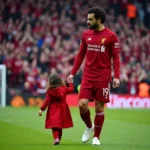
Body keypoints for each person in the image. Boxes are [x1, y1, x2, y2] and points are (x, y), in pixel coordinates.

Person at [67, 7, 120, 145]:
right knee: (82, 105)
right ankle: (89, 126)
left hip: (103, 76)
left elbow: (116, 57)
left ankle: (96, 137)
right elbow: (80, 55)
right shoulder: (85, 35)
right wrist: (72, 73)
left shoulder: (111, 36)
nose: (87, 21)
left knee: (99, 107)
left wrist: (117, 76)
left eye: (90, 19)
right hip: (88, 75)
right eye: (87, 18)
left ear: (99, 19)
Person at [38, 73, 74, 145]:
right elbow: (71, 90)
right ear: (59, 80)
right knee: (60, 125)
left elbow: (47, 101)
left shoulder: (50, 91)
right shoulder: (63, 88)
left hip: (53, 109)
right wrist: (70, 83)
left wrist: (42, 109)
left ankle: (56, 139)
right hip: (63, 109)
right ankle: (58, 140)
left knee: (54, 125)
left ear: (50, 81)